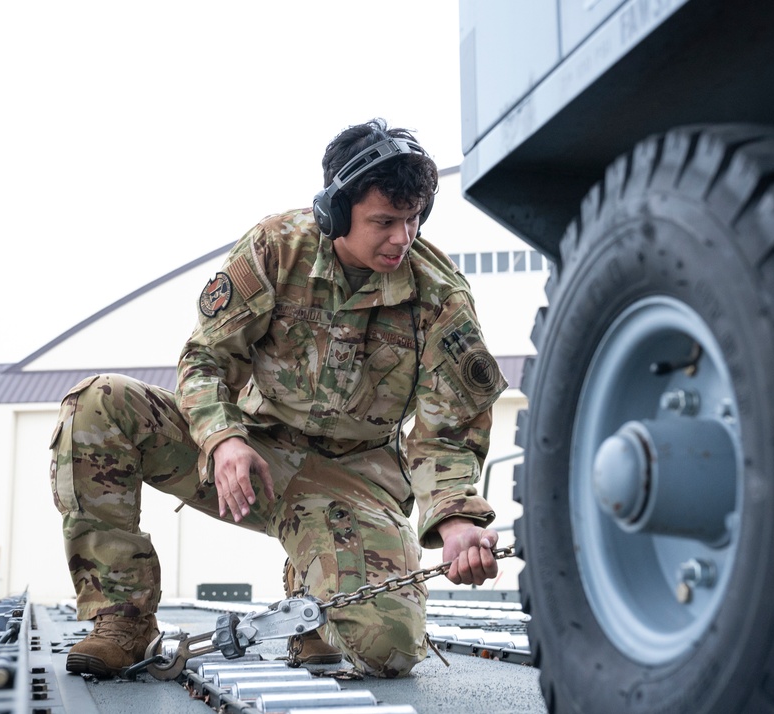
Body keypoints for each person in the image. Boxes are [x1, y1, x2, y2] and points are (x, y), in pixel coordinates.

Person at [50, 118, 508, 679]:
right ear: (335, 212)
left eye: (413, 220)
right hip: (250, 457)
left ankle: (311, 586)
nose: (401, 238)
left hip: (353, 480)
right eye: (383, 222)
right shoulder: (276, 249)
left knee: (389, 648)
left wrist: (457, 518)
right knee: (98, 404)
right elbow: (205, 360)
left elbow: (450, 428)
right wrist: (222, 439)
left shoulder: (440, 296)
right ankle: (122, 618)